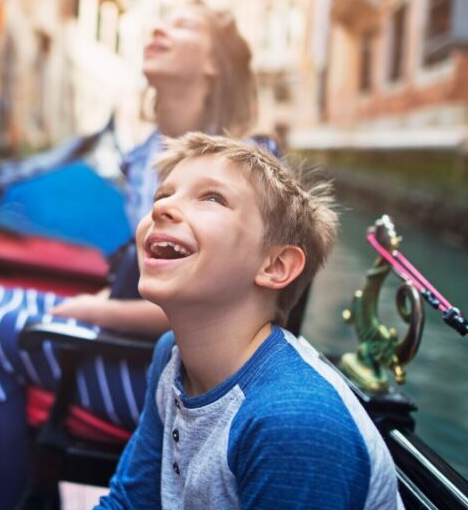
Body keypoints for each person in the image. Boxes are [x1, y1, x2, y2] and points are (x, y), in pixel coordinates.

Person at [0, 0, 271, 510]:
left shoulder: (246, 171)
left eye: (181, 23)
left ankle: (5, 496)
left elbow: (201, 309)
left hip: (175, 374)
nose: (160, 26)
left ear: (213, 63)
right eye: (161, 19)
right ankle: (6, 485)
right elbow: (145, 273)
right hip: (135, 344)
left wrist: (91, 310)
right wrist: (96, 303)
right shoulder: (148, 158)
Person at [96, 132, 402, 509]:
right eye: (163, 195)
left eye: (212, 197)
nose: (161, 208)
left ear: (275, 266)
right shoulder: (172, 357)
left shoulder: (291, 423)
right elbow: (131, 502)